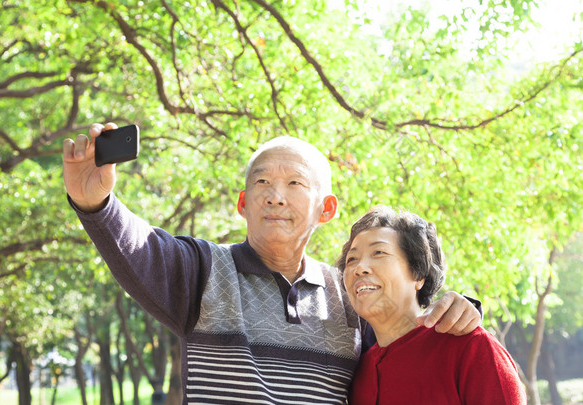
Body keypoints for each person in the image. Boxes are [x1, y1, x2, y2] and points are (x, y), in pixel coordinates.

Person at [62, 123, 482, 404]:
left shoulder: (352, 291)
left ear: (327, 209)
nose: (275, 196)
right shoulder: (203, 271)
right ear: (243, 204)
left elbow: (406, 334)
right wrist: (95, 202)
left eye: (295, 183)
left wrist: (459, 307)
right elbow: (140, 247)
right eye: (262, 182)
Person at [338, 205, 526, 405]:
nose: (360, 268)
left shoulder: (470, 348)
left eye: (378, 252)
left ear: (418, 274)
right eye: (352, 259)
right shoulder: (357, 373)